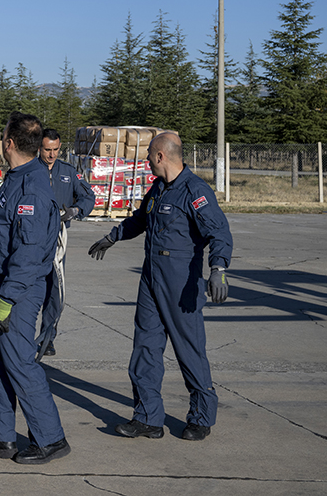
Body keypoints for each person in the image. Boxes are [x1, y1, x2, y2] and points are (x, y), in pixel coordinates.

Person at [88, 132, 232, 441]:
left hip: (181, 282)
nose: (146, 162)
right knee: (146, 348)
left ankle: (201, 417)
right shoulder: (159, 188)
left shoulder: (194, 191)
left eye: (149, 156)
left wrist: (218, 268)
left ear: (160, 157)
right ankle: (148, 417)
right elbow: (141, 219)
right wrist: (114, 236)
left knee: (189, 350)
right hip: (151, 276)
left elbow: (219, 232)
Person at [0, 112, 71, 464]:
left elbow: (28, 253)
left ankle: (51, 439)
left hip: (18, 292)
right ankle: (0, 435)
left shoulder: (32, 187)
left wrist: (7, 299)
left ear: (9, 143)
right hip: (1, 283)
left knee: (20, 363)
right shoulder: (18, 177)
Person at [37, 128, 95, 357]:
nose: (51, 154)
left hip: (58, 240)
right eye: (47, 150)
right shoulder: (29, 170)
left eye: (55, 150)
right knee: (31, 287)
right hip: (32, 239)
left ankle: (47, 338)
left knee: (54, 291)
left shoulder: (68, 172)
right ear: (39, 148)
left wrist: (76, 210)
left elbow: (88, 197)